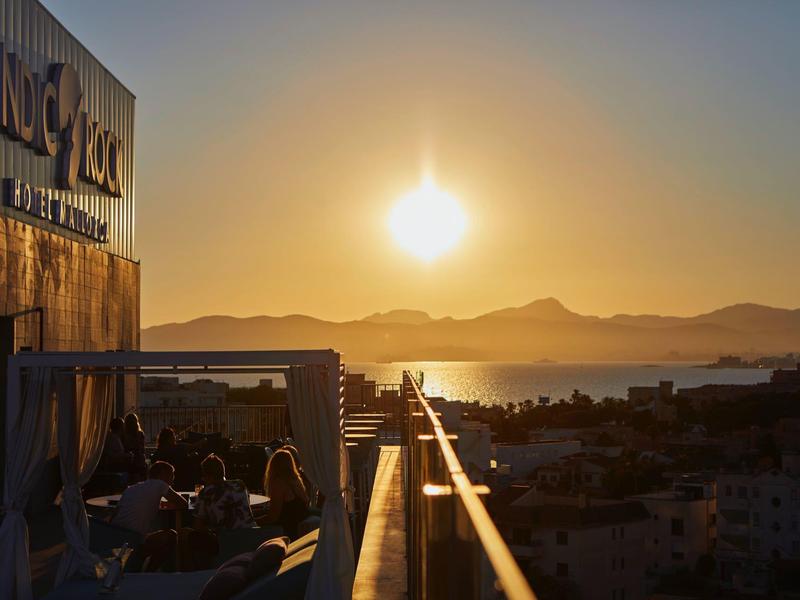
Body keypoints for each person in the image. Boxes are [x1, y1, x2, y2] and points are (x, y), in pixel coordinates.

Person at [111, 461, 188, 571]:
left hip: (116, 539)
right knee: (171, 535)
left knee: (148, 534)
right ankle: (149, 571)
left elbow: (114, 515)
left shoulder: (131, 489)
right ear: (163, 474)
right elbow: (183, 503)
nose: (173, 478)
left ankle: (137, 565)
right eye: (172, 474)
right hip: (134, 540)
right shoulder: (160, 485)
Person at [256, 449, 309, 539]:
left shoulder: (279, 483)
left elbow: (273, 517)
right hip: (297, 522)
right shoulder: (296, 480)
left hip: (286, 529)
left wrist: (254, 522)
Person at [193, 453, 256, 530]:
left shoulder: (205, 493)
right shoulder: (239, 485)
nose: (203, 479)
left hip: (226, 536)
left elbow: (198, 526)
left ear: (208, 476)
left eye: (204, 476)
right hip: (251, 533)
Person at [123, 413, 147, 482]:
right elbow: (142, 449)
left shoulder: (124, 435)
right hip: (139, 461)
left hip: (128, 461)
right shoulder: (140, 434)